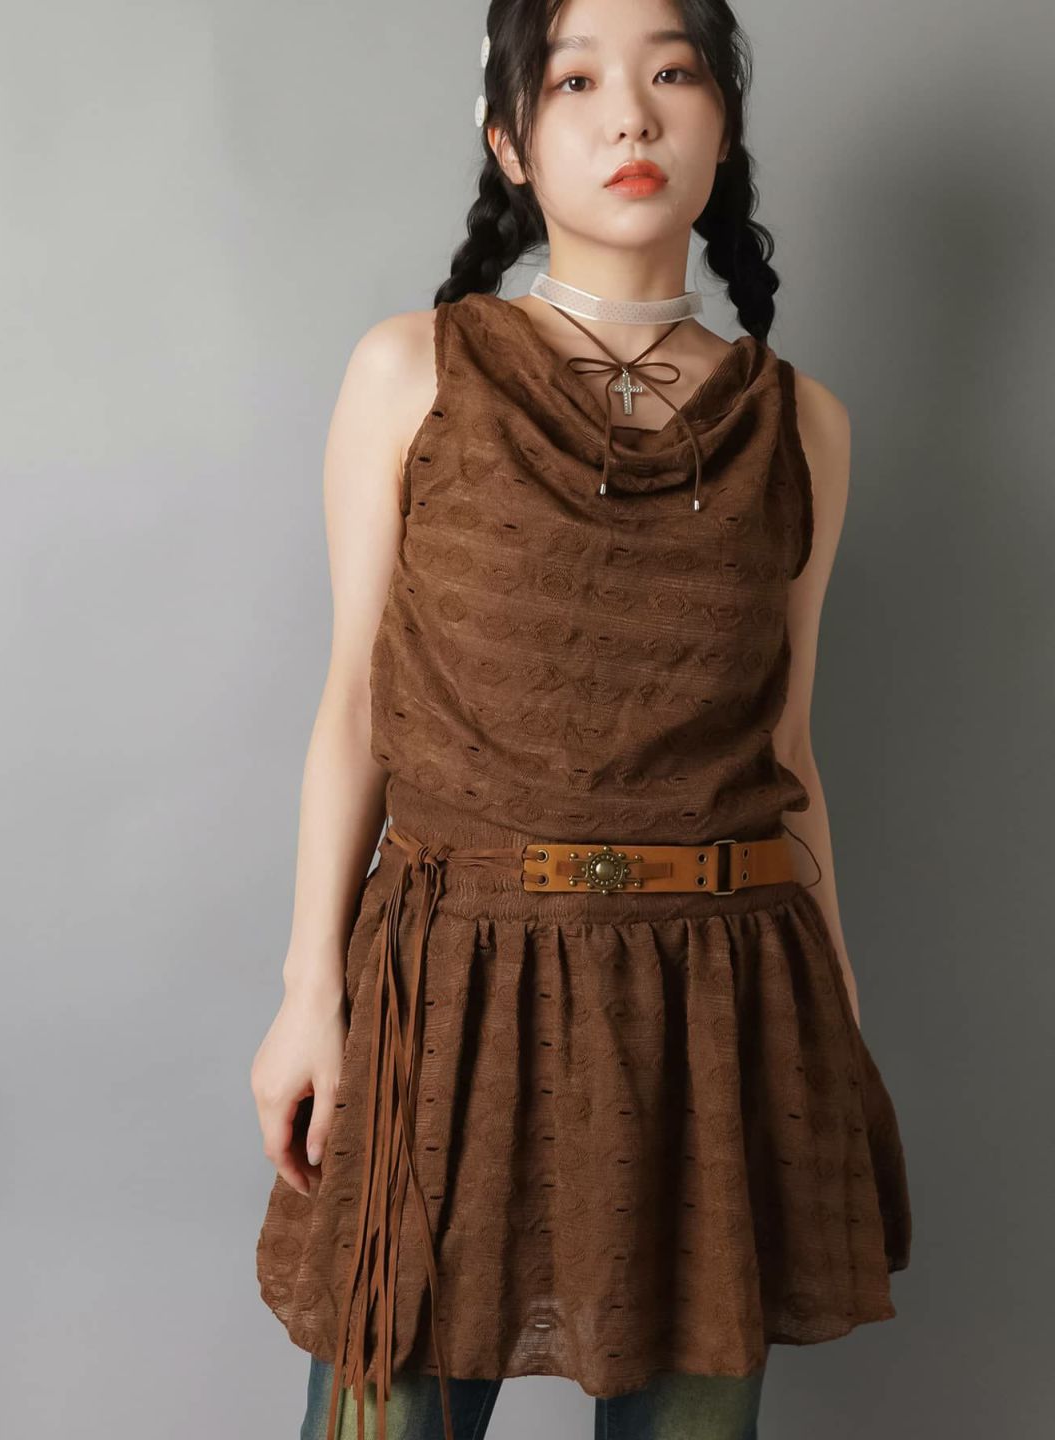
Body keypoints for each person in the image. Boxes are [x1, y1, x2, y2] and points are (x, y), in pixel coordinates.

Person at [250, 2, 912, 1438]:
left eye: (674, 72)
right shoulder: (413, 371)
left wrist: (838, 1014)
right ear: (509, 140)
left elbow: (787, 755)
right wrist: (310, 993)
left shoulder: (803, 426)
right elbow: (356, 703)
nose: (631, 115)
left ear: (722, 125)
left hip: (722, 1004)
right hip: (452, 989)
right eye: (575, 81)